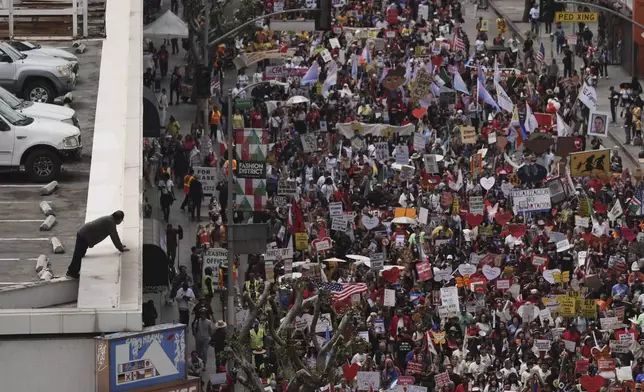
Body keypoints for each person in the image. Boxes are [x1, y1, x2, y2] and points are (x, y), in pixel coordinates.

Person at [66, 211, 128, 279]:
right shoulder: (110, 222)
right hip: (84, 235)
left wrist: (121, 245)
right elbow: (114, 236)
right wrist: (121, 248)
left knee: (80, 254)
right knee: (78, 255)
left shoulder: (109, 219)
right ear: (119, 219)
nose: (121, 222)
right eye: (122, 220)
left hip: (84, 234)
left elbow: (115, 236)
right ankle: (71, 272)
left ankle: (73, 272)